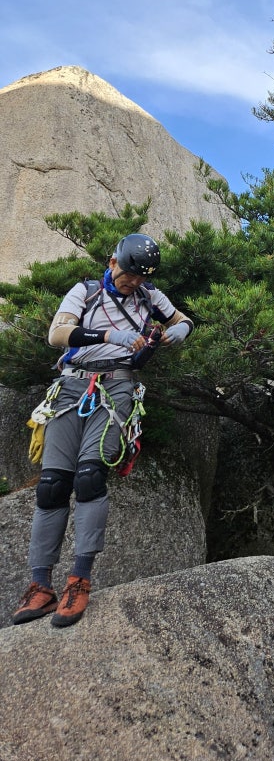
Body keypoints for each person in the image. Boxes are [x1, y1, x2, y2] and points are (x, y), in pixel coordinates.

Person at [12, 233, 193, 628]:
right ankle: (40, 585)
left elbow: (182, 320)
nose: (133, 283)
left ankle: (80, 580)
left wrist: (179, 331)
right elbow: (57, 335)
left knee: (91, 476)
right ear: (113, 262)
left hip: (117, 386)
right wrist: (110, 335)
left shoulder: (150, 296)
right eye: (128, 274)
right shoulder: (85, 292)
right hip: (72, 386)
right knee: (53, 484)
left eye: (140, 278)